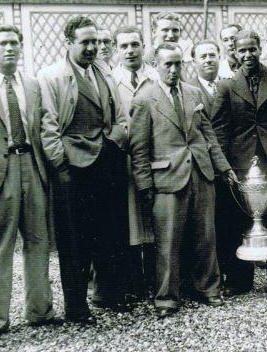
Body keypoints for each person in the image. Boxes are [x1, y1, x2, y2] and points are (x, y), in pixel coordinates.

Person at [129, 43, 237, 318]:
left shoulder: (192, 93)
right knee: (167, 242)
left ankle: (209, 289)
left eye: (178, 64)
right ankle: (166, 297)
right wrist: (145, 186)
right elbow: (139, 148)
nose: (175, 69)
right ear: (155, 65)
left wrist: (223, 169)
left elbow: (208, 136)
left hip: (201, 174)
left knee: (205, 237)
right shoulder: (145, 99)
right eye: (168, 64)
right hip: (167, 178)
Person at [38, 16, 129, 322]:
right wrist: (61, 162)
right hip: (72, 169)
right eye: (85, 42)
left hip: (105, 162)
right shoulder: (52, 76)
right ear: (68, 43)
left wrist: (114, 142)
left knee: (109, 232)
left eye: (95, 42)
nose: (92, 48)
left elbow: (121, 116)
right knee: (74, 240)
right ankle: (76, 307)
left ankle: (108, 295)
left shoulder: (104, 72)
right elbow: (48, 125)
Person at [0, 25, 56, 341]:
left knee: (38, 240)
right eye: (3, 43)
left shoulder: (32, 85)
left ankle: (40, 310)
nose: (10, 49)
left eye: (15, 43)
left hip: (31, 165)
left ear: (21, 48)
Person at [213, 30, 267, 296]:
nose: (247, 55)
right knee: (237, 220)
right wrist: (223, 165)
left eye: (252, 49)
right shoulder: (226, 86)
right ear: (234, 53)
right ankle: (239, 280)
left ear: (261, 49)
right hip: (239, 162)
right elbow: (221, 129)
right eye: (242, 50)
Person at [110, 25, 159, 301]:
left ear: (143, 47)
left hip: (153, 156)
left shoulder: (155, 77)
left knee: (152, 216)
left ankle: (154, 277)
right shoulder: (110, 79)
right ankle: (132, 282)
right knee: (127, 220)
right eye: (124, 46)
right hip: (122, 159)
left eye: (135, 45)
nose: (130, 51)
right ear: (117, 49)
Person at [143, 12, 194, 76]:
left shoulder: (185, 57)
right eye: (165, 30)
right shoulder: (147, 62)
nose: (171, 35)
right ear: (154, 32)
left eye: (175, 30)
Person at [187, 39, 222, 118]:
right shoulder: (187, 89)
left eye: (212, 55)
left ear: (219, 57)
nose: (208, 60)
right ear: (194, 61)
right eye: (203, 57)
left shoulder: (229, 85)